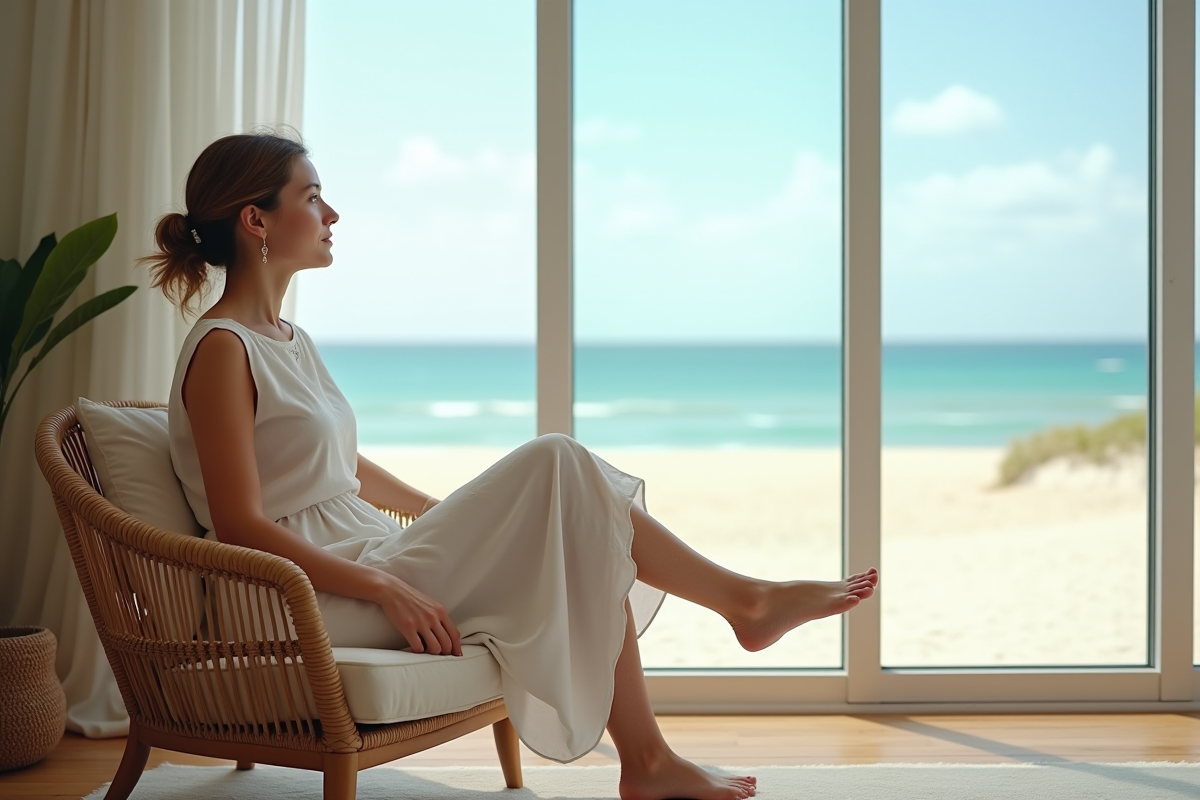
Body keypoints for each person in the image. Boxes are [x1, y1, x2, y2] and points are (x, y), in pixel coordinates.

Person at [141, 131, 879, 800]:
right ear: (256, 220)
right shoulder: (222, 350)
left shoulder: (286, 338)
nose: (332, 214)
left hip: (357, 549)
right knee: (559, 464)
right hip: (290, 592)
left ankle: (656, 749)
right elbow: (239, 521)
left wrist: (438, 512)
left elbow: (339, 466)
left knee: (575, 514)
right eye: (312, 197)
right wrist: (385, 586)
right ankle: (738, 613)